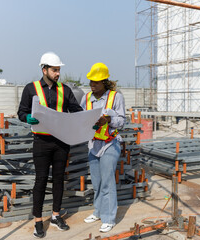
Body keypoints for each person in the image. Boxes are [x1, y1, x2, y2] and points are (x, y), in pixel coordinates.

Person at [17, 52, 83, 238]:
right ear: (44, 69)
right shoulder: (31, 89)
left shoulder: (65, 90)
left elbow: (76, 110)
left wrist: (86, 119)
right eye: (54, 70)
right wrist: (26, 117)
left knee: (59, 180)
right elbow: (21, 111)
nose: (57, 73)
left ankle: (55, 215)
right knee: (41, 181)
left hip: (61, 142)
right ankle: (38, 221)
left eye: (59, 70)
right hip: (42, 142)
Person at [80, 63, 126, 233]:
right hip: (93, 145)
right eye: (91, 81)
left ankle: (109, 218)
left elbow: (122, 121)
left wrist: (108, 120)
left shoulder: (115, 97)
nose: (93, 85)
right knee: (97, 182)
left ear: (105, 82)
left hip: (110, 144)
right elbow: (81, 117)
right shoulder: (86, 98)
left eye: (97, 82)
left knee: (107, 182)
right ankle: (98, 212)